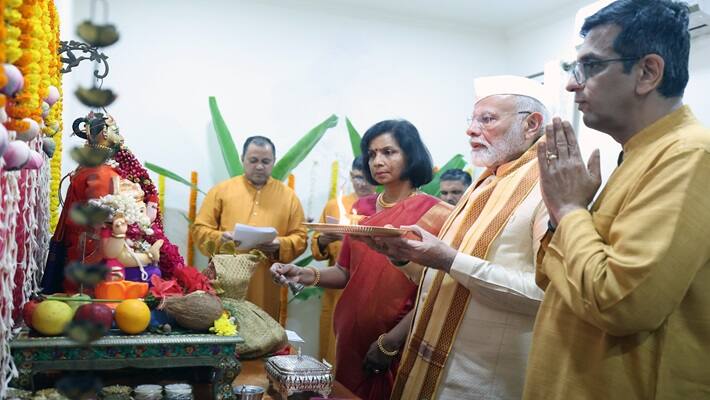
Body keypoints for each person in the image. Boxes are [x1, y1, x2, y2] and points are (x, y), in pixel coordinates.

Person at [524, 1, 710, 399]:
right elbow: (553, 279)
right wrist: (564, 217)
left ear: (647, 72)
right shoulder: (640, 153)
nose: (573, 84)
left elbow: (621, 305)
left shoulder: (690, 156)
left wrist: (571, 210)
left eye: (590, 66)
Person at [359, 76, 550, 399]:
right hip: (433, 366)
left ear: (531, 124)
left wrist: (448, 258)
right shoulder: (486, 182)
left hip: (483, 381)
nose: (471, 130)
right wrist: (404, 255)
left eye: (487, 119)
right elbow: (448, 277)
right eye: (472, 120)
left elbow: (548, 296)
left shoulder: (549, 187)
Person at [271, 120, 452, 400]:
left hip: (397, 339)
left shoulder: (438, 214)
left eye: (388, 152)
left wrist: (391, 341)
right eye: (372, 154)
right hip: (349, 336)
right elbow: (345, 272)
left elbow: (437, 292)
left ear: (411, 154)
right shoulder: (361, 208)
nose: (377, 161)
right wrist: (304, 274)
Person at [192, 136, 307, 320]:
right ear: (243, 159)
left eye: (265, 161)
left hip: (266, 283)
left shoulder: (288, 197)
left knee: (263, 332)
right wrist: (221, 238)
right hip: (225, 279)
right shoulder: (221, 191)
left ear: (273, 162)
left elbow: (300, 237)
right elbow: (199, 230)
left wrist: (280, 244)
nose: (259, 166)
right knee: (223, 327)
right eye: (253, 160)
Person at [311, 155, 376, 366]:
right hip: (336, 291)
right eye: (357, 177)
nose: (361, 183)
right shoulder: (334, 206)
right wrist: (324, 239)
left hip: (369, 294)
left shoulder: (382, 207)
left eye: (366, 177)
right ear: (350, 176)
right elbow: (317, 249)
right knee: (331, 351)